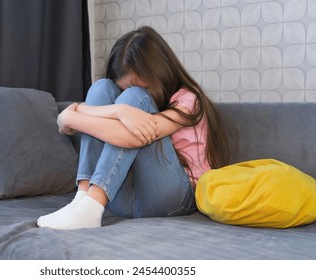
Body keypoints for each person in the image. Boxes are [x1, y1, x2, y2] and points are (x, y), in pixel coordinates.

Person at [37, 26, 229, 230]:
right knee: (101, 88)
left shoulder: (189, 100)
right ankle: (82, 197)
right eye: (123, 88)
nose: (125, 97)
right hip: (122, 200)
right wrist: (118, 111)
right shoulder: (121, 102)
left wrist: (71, 116)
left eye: (145, 86)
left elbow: (134, 137)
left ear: (161, 72)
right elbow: (113, 116)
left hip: (174, 199)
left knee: (136, 98)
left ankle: (92, 204)